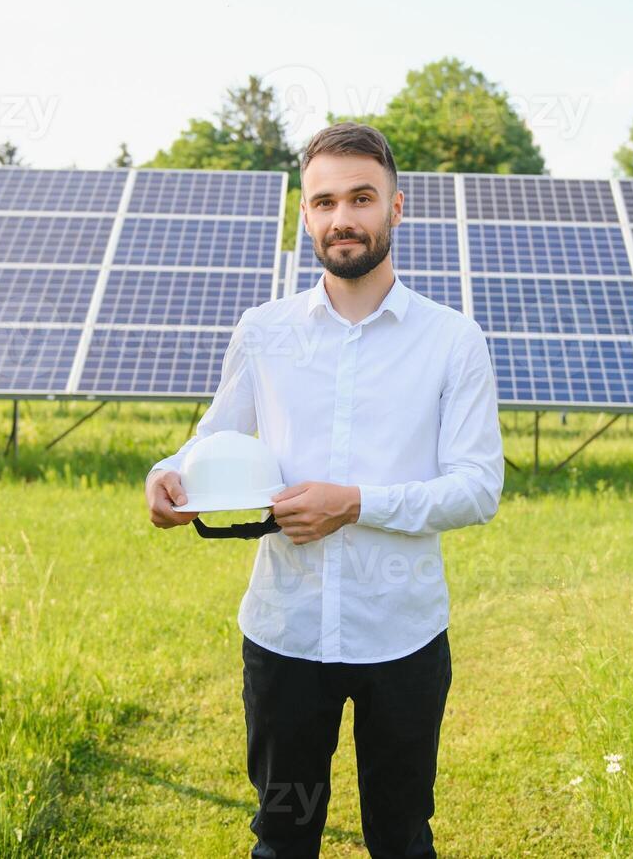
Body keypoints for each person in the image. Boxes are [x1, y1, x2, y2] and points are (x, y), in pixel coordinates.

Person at [145, 121, 504, 858]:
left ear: (395, 209)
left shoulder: (451, 340)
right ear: (305, 214)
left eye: (361, 198)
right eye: (324, 202)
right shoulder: (263, 331)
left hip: (400, 634)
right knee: (282, 836)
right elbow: (215, 436)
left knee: (400, 840)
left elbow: (476, 488)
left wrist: (356, 503)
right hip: (285, 632)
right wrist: (169, 472)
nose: (343, 218)